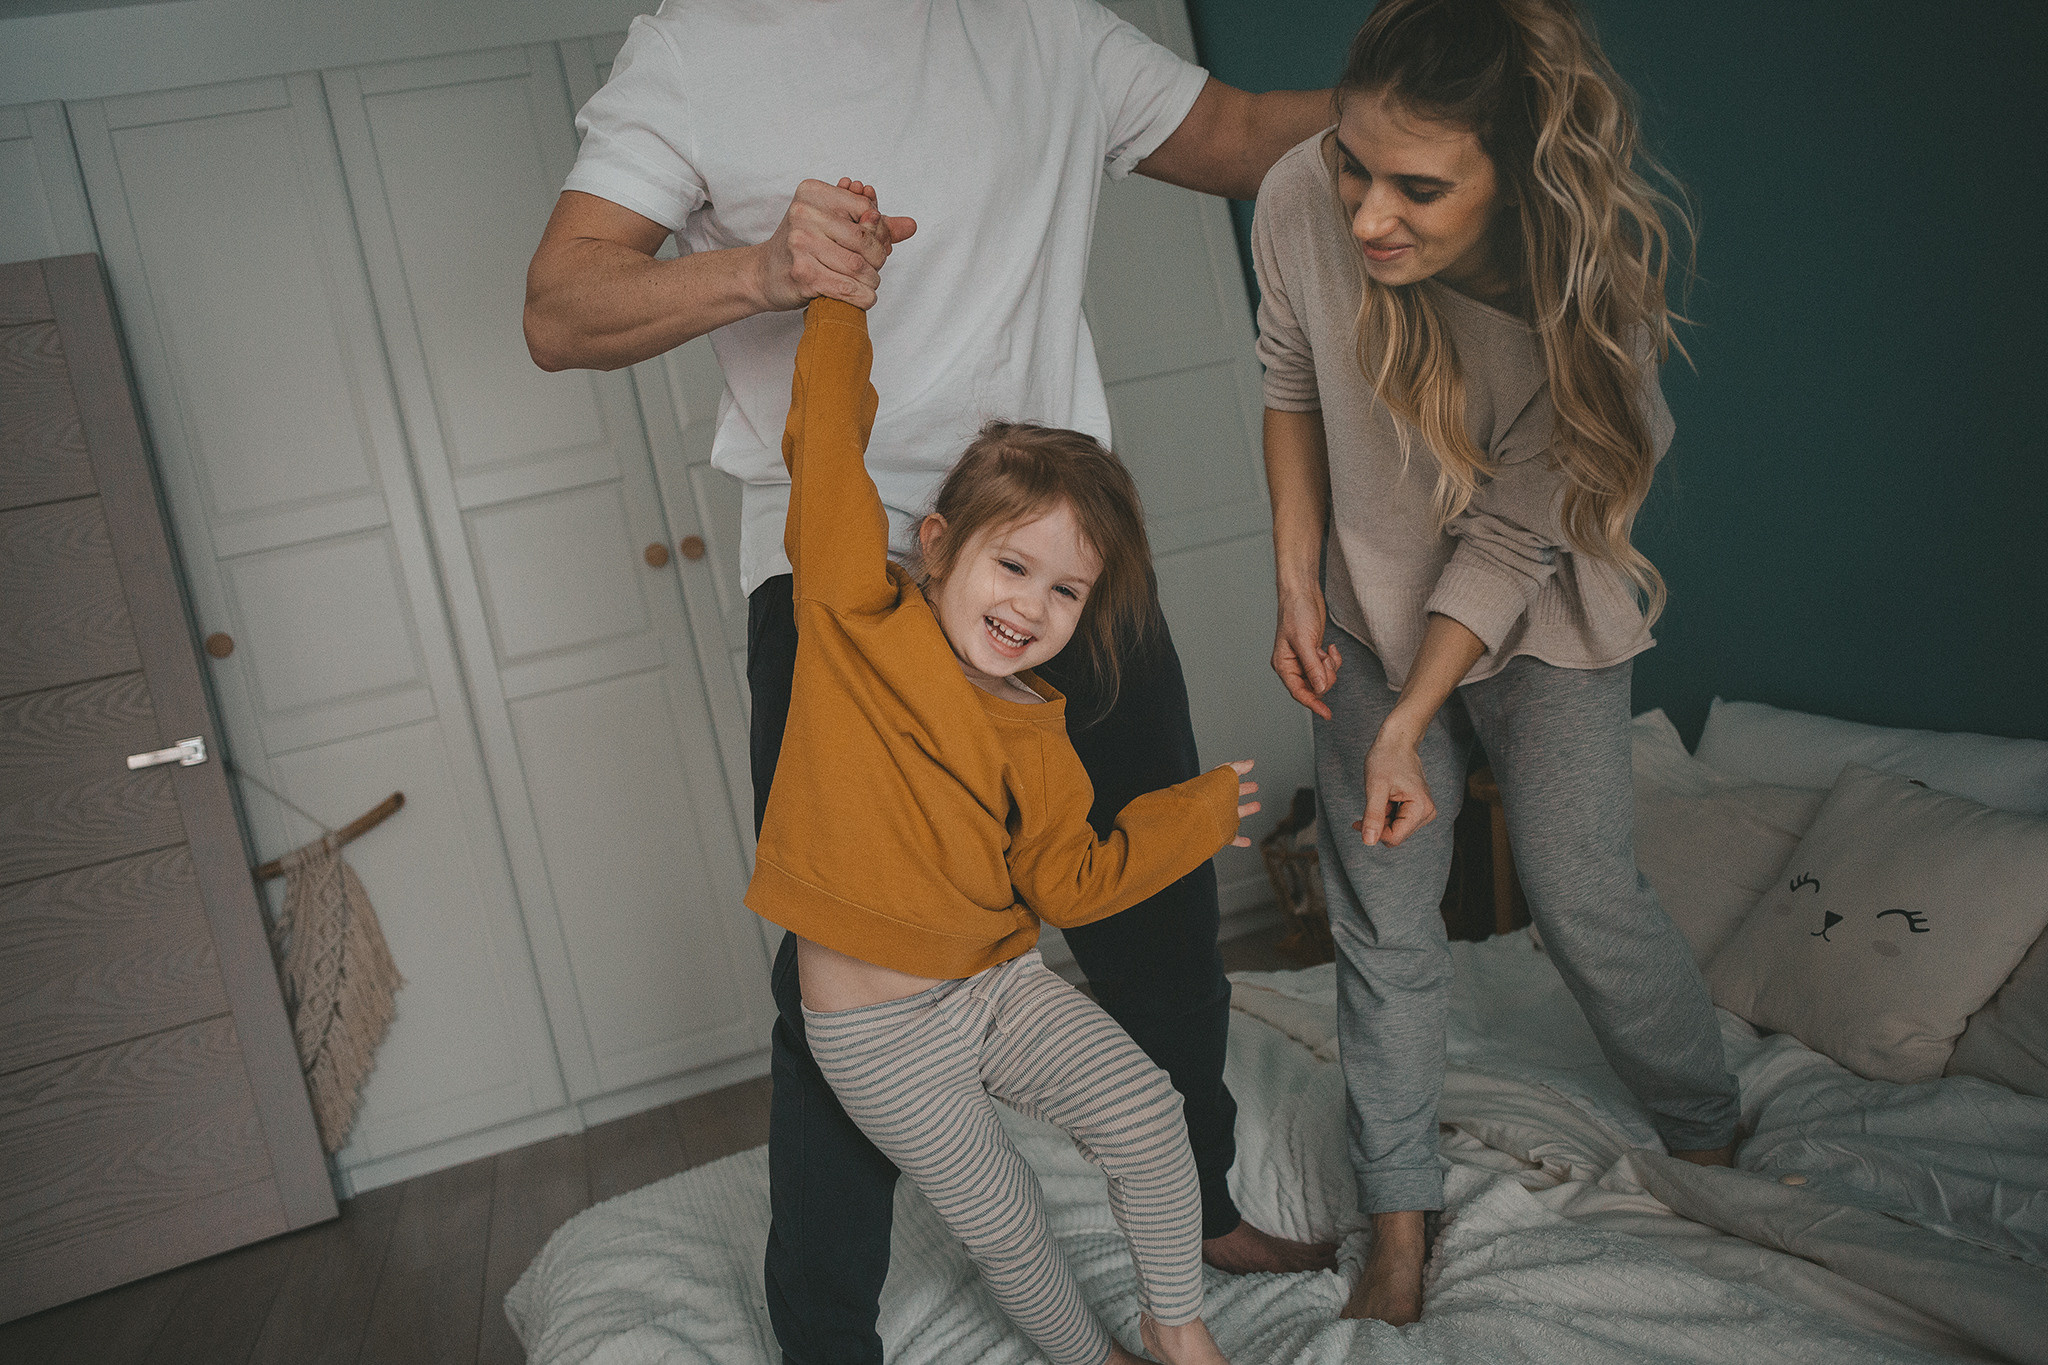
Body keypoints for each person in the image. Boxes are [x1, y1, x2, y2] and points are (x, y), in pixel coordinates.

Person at [523, 5, 1337, 1362]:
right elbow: (559, 309)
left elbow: (1250, 135)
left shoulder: (1047, 26)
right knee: (845, 977)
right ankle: (825, 1336)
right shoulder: (698, 47)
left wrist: (1447, 84)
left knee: (1160, 918)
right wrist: (763, 269)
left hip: (1057, 560)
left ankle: (1197, 1213)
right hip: (846, 581)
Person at [1250, 0, 1742, 1327]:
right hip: (1362, 601)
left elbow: (1512, 538)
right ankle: (1396, 1223)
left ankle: (1708, 1134)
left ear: (1511, 179)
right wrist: (1295, 581)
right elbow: (1289, 381)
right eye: (1354, 163)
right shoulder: (1298, 195)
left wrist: (1410, 719)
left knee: (1583, 894)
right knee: (1380, 917)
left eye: (1416, 188)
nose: (1367, 213)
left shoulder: (1588, 319)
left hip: (1538, 612)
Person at [755, 214, 1260, 1358]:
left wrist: (1187, 816)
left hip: (995, 988)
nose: (1032, 605)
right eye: (1013, 565)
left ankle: (1177, 1331)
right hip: (875, 1035)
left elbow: (1069, 883)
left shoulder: (1038, 726)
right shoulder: (850, 613)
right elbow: (823, 443)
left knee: (1147, 1114)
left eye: (1065, 591)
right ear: (938, 546)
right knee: (1007, 1225)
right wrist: (838, 303)